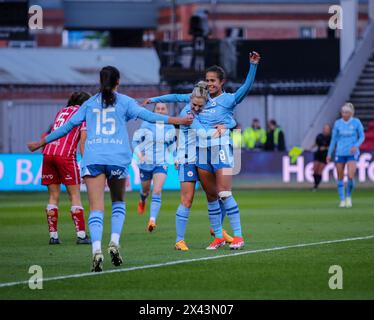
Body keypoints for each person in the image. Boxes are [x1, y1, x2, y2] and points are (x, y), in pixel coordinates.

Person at [27, 65, 192, 272]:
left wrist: (41, 143)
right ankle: (114, 242)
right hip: (117, 158)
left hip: (94, 158)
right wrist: (179, 120)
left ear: (100, 81)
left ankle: (96, 250)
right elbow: (151, 117)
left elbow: (66, 127)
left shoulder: (88, 103)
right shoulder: (124, 101)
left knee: (96, 208)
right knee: (118, 204)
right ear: (118, 82)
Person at [144, 51, 260, 250]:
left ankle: (239, 236)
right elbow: (173, 96)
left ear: (222, 82)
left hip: (220, 149)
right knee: (211, 197)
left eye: (213, 80)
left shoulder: (230, 99)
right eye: (207, 80)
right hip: (201, 152)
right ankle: (217, 237)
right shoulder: (197, 98)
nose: (210, 83)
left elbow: (246, 88)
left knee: (224, 193)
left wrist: (253, 66)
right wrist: (154, 99)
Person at [172, 81, 236, 251]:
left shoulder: (204, 111)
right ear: (192, 98)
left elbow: (226, 120)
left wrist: (228, 124)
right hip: (188, 159)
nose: (197, 107)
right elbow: (199, 133)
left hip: (203, 156)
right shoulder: (188, 112)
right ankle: (179, 240)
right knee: (187, 200)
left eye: (200, 105)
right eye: (195, 104)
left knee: (218, 193)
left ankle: (218, 231)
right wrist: (177, 155)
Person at [41, 91, 91, 245]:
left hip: (48, 152)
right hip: (65, 156)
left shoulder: (61, 111)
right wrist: (86, 162)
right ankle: (81, 235)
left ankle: (53, 236)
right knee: (74, 195)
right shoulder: (83, 113)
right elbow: (83, 141)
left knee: (53, 196)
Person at [132, 102, 176, 232]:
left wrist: (176, 157)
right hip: (146, 163)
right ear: (154, 111)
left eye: (163, 109)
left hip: (161, 162)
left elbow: (173, 145)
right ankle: (142, 199)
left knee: (157, 191)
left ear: (166, 111)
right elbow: (135, 141)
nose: (161, 111)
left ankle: (152, 220)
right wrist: (140, 155)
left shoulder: (170, 126)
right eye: (158, 108)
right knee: (145, 190)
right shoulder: (146, 124)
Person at [327, 103, 365, 208]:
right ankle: (342, 200)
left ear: (351, 113)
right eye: (343, 112)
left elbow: (362, 136)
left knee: (350, 176)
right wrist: (329, 154)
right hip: (340, 153)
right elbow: (333, 139)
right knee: (340, 177)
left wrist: (356, 146)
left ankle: (348, 196)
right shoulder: (337, 123)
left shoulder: (356, 122)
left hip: (352, 153)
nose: (344, 114)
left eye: (347, 112)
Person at [311, 124, 331, 191]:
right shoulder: (319, 136)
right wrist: (310, 147)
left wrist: (325, 148)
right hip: (318, 154)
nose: (325, 130)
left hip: (325, 156)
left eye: (327, 129)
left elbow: (332, 146)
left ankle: (316, 186)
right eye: (325, 128)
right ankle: (315, 183)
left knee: (320, 170)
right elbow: (316, 144)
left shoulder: (331, 138)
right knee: (314, 169)